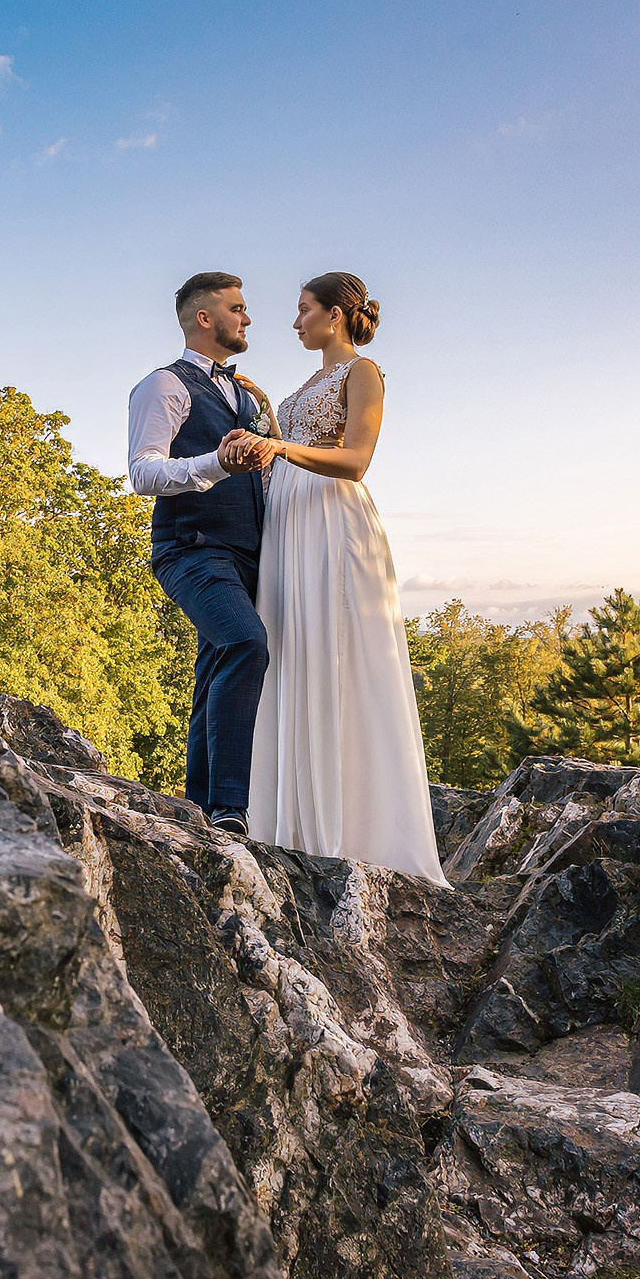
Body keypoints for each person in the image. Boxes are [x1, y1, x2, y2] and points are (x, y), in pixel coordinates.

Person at [219, 272, 446, 883]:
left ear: (336, 315)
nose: (294, 323)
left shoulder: (362, 373)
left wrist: (280, 447)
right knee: (291, 655)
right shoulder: (305, 384)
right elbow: (288, 445)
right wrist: (269, 416)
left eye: (303, 311)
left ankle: (353, 827)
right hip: (289, 527)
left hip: (331, 523)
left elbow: (355, 459)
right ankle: (289, 819)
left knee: (337, 655)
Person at [128, 272, 279, 833]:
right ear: (205, 318)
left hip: (247, 552)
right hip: (189, 547)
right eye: (238, 308)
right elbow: (143, 472)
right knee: (245, 643)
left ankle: (199, 809)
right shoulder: (162, 385)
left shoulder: (244, 395)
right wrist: (216, 464)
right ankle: (230, 810)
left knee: (216, 666)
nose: (248, 318)